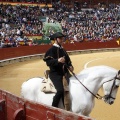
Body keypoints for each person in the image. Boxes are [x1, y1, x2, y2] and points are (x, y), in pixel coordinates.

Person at [43, 32, 74, 108]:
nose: (62, 39)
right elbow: (48, 62)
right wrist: (57, 61)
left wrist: (70, 66)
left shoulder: (62, 49)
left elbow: (68, 61)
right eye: (60, 38)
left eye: (62, 38)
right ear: (55, 39)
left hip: (65, 73)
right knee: (60, 91)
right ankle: (53, 108)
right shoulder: (51, 50)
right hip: (55, 74)